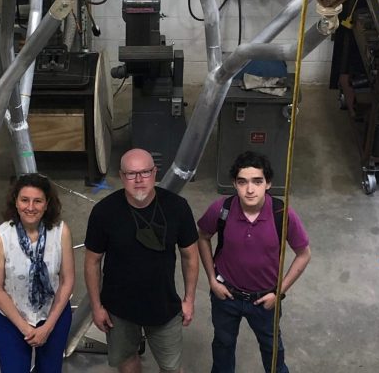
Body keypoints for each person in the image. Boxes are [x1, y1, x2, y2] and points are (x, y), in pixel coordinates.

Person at [85, 148, 199, 373]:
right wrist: (97, 307)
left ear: (155, 173)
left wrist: (189, 299)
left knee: (171, 367)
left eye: (145, 172)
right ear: (121, 176)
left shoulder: (177, 208)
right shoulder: (104, 213)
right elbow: (92, 261)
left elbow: (190, 256)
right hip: (118, 310)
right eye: (131, 174)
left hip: (164, 305)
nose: (138, 180)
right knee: (126, 361)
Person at [197, 151, 311, 373]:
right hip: (226, 296)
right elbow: (203, 236)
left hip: (265, 300)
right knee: (222, 346)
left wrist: (278, 293)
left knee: (272, 351)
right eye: (243, 182)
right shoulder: (222, 209)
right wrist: (212, 280)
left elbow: (304, 253)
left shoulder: (281, 213)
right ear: (234, 184)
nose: (250, 190)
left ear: (268, 183)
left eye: (257, 181)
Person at [0, 174, 74, 373]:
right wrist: (25, 328)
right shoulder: (0, 238)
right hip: (13, 319)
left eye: (38, 201)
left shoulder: (61, 231)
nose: (31, 207)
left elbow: (67, 280)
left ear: (47, 204)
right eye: (24, 200)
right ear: (15, 202)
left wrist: (48, 326)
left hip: (53, 315)